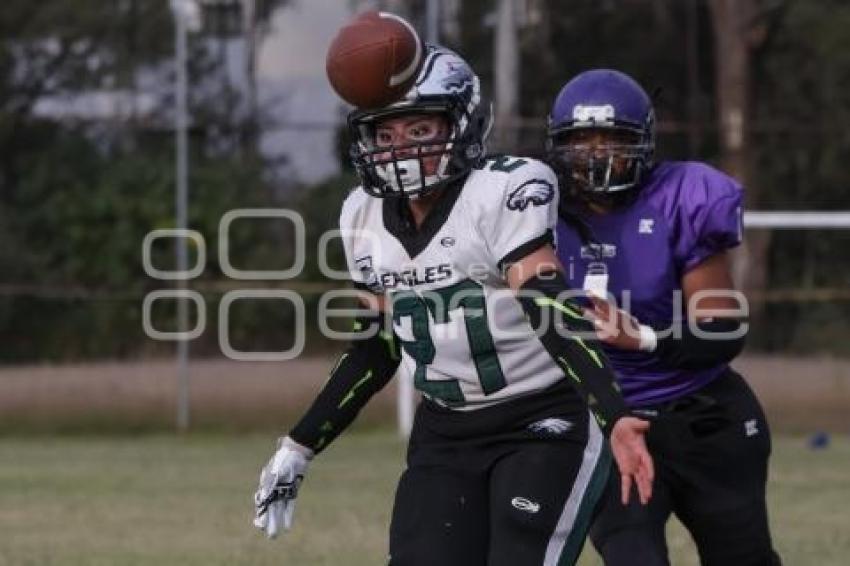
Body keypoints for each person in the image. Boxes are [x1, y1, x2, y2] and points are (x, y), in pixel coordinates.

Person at [252, 46, 654, 566]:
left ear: (459, 126)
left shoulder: (505, 188)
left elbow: (547, 305)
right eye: (385, 134)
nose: (400, 150)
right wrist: (299, 446)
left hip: (544, 416)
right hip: (447, 428)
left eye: (418, 131)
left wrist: (615, 412)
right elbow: (376, 348)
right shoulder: (360, 214)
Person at [546, 68, 781, 566]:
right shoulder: (537, 213)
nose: (596, 152)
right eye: (581, 138)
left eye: (612, 137)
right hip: (612, 422)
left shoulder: (681, 197)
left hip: (704, 417)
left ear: (643, 141)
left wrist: (645, 339)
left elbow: (724, 330)